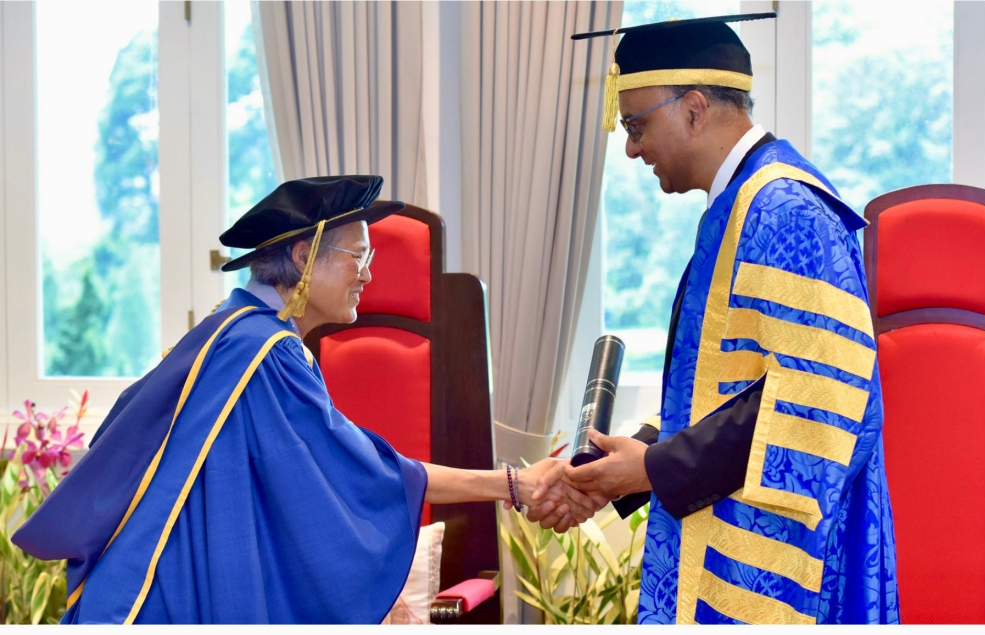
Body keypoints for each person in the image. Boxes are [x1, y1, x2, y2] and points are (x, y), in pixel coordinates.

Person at [14, 175, 594, 624]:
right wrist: (512, 484)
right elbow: (370, 474)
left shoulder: (232, 332)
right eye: (357, 256)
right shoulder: (268, 355)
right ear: (302, 256)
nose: (367, 275)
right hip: (174, 600)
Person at [533, 13, 899, 625]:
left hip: (783, 568)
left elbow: (813, 402)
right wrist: (634, 457)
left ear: (695, 109)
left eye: (636, 126)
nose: (631, 148)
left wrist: (652, 467)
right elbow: (726, 387)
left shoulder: (786, 209)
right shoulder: (737, 205)